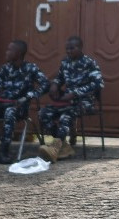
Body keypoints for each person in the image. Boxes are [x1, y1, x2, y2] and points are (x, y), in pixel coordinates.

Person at [38, 35, 104, 163]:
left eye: (72, 48)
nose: (68, 51)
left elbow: (98, 84)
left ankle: (55, 147)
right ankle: (63, 146)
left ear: (80, 48)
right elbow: (60, 78)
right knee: (43, 114)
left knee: (65, 116)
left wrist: (75, 93)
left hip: (84, 101)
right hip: (66, 100)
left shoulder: (89, 63)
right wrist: (55, 85)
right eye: (67, 49)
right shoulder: (65, 62)